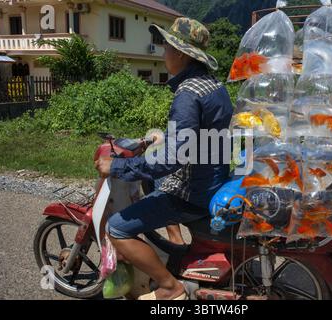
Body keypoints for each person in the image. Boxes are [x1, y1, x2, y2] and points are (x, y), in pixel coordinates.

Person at [95, 17, 233, 300]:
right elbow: (197, 138)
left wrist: (118, 166)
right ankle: (175, 245)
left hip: (192, 192)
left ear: (180, 53)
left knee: (117, 227)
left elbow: (172, 159)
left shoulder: (187, 94)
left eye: (167, 47)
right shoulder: (213, 86)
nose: (163, 53)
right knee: (153, 180)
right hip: (214, 178)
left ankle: (171, 288)